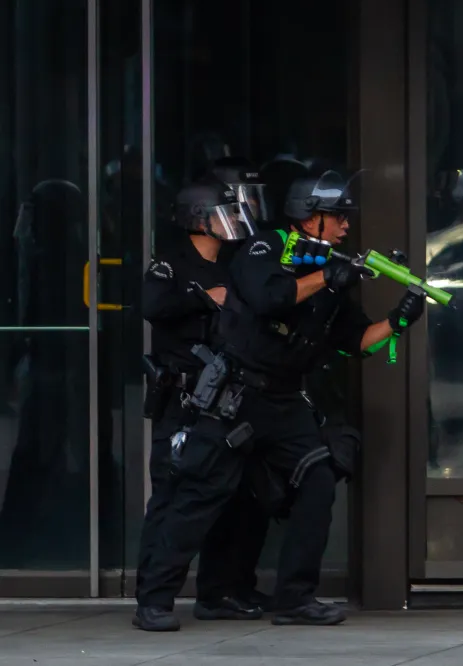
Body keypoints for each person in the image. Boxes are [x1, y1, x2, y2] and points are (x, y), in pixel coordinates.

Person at [134, 169, 425, 631]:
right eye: (338, 216)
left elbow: (357, 341)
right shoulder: (265, 247)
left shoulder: (330, 268)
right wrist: (327, 278)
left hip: (286, 402)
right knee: (200, 493)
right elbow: (269, 296)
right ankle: (154, 600)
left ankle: (294, 599)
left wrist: (399, 321)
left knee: (317, 482)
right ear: (310, 219)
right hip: (236, 394)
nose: (347, 225)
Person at [135, 180, 272, 628]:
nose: (231, 222)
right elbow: (152, 305)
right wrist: (201, 297)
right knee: (179, 500)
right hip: (185, 401)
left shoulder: (234, 266)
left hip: (229, 401)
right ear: (200, 219)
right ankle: (153, 598)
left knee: (232, 498)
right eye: (221, 214)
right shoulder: (172, 266)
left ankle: (218, 592)